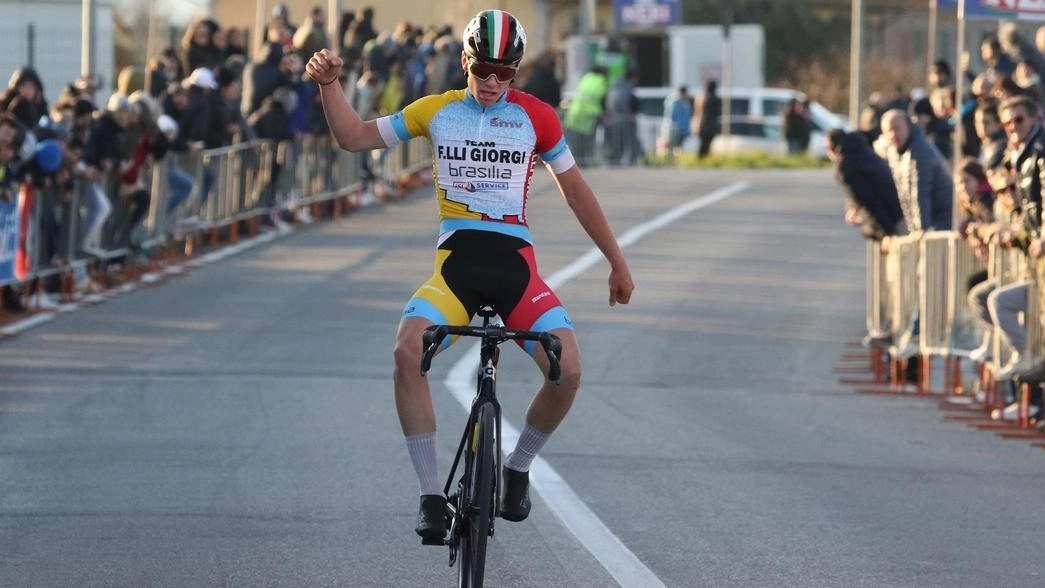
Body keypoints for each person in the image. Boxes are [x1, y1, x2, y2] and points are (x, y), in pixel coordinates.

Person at [307, 8, 634, 542]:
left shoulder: (538, 118)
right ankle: (431, 494)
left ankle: (518, 467)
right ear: (465, 61)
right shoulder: (435, 111)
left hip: (517, 270)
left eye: (506, 73)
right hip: (455, 269)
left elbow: (576, 191)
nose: (493, 82)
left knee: (568, 370)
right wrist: (329, 85)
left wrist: (617, 262)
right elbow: (352, 136)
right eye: (483, 69)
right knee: (406, 351)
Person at [692, 79, 721, 158]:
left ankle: (701, 159)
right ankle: (702, 159)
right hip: (709, 126)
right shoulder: (713, 98)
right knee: (706, 144)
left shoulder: (700, 97)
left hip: (700, 124)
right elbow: (717, 113)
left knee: (703, 143)